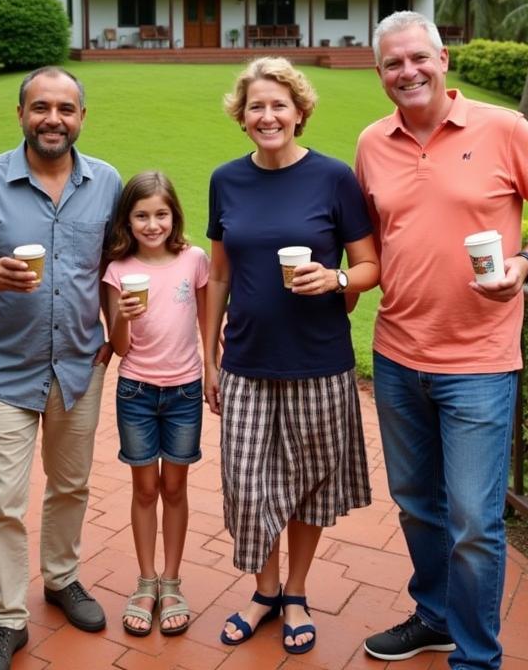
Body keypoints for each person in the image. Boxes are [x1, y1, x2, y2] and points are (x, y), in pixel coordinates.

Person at [354, 11, 528, 668]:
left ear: (443, 58)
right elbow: (374, 239)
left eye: (417, 58)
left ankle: (476, 658)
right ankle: (434, 615)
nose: (407, 72)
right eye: (393, 64)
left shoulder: (503, 128)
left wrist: (527, 262)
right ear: (380, 74)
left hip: (479, 363)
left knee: (474, 525)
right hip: (396, 355)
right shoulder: (372, 142)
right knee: (417, 505)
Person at [0, 66, 121, 670]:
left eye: (66, 108)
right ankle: (7, 619)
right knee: (3, 503)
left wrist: (118, 331)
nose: (53, 119)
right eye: (41, 107)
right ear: (21, 114)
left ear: (81, 118)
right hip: (3, 370)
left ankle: (62, 578)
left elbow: (118, 263)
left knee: (71, 486)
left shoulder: (108, 183)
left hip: (78, 368)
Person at [204, 56, 380, 656]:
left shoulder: (333, 179)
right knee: (248, 485)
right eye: (256, 105)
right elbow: (220, 276)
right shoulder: (225, 180)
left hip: (320, 361)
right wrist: (209, 355)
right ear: (241, 115)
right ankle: (264, 590)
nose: (268, 114)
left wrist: (335, 280)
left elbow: (370, 268)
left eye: (280, 104)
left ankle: (296, 593)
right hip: (247, 361)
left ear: (300, 113)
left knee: (307, 486)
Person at [103, 171, 209, 637]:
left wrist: (214, 372)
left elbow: (209, 323)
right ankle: (146, 582)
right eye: (141, 215)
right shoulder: (117, 270)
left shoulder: (194, 260)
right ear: (128, 219)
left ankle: (172, 581)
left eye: (160, 214)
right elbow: (120, 348)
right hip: (137, 392)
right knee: (145, 489)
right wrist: (123, 318)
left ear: (174, 215)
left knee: (176, 489)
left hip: (186, 391)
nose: (152, 225)